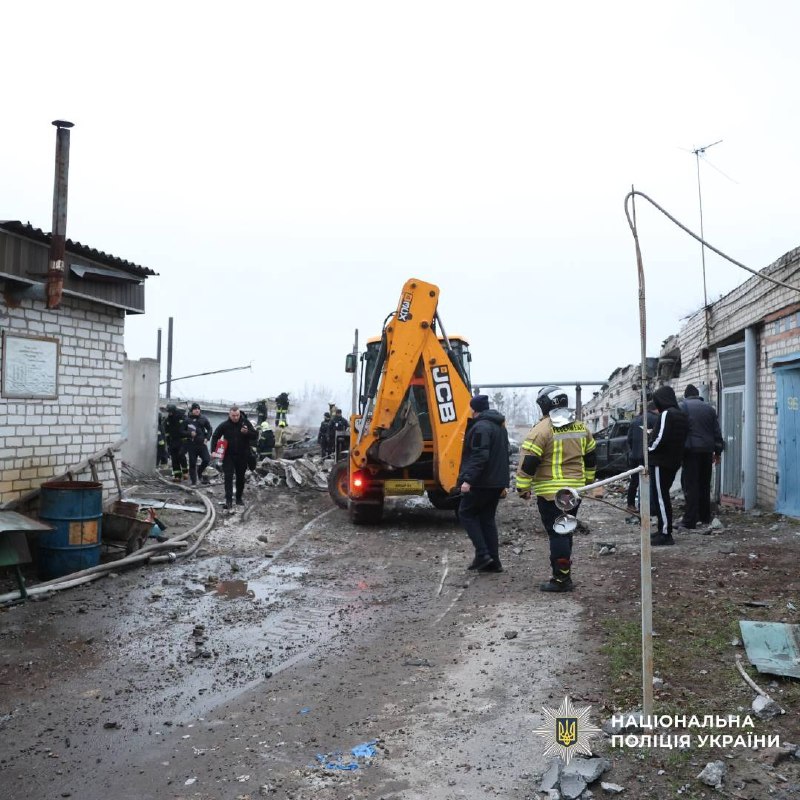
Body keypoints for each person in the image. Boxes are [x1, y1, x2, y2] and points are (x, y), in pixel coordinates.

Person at [516, 386, 596, 592]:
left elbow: (529, 462)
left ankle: (561, 580)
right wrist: (586, 484)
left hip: (551, 494)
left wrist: (522, 487)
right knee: (566, 531)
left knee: (558, 534)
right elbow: (591, 458)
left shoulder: (541, 430)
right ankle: (564, 574)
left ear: (544, 404)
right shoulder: (581, 428)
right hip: (575, 492)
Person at [457, 394, 510, 572]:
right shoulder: (499, 426)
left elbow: (480, 456)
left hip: (482, 482)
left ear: (475, 409)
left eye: (471, 409)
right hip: (496, 481)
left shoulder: (481, 427)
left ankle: (482, 554)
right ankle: (494, 562)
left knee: (466, 513)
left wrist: (467, 480)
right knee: (487, 519)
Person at [648, 385, 690, 546]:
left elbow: (660, 437)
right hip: (673, 461)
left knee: (660, 498)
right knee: (663, 497)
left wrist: (648, 449)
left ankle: (665, 533)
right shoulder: (681, 415)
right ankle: (663, 529)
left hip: (660, 461)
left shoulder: (667, 414)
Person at [679, 384, 724, 530]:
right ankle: (705, 517)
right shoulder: (709, 409)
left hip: (691, 451)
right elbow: (717, 432)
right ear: (697, 395)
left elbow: (679, 430)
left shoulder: (683, 407)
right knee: (704, 484)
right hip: (707, 451)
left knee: (691, 485)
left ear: (686, 396)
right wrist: (717, 453)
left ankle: (690, 520)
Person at [210, 405, 258, 510]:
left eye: (237, 415)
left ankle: (239, 498)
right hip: (229, 456)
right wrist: (213, 450)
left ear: (239, 413)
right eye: (233, 415)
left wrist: (247, 432)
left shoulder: (245, 423)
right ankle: (228, 501)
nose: (236, 417)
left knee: (240, 478)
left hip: (242, 455)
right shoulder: (225, 425)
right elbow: (215, 436)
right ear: (229, 414)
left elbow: (255, 435)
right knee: (228, 477)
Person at [625, 401, 658, 514]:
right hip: (648, 456)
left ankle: (631, 504)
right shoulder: (656, 419)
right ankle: (647, 507)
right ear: (656, 409)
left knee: (634, 481)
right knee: (649, 482)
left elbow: (629, 439)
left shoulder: (635, 420)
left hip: (634, 456)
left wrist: (632, 451)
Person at [186, 402, 213, 485]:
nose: (197, 410)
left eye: (198, 409)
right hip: (192, 445)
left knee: (206, 460)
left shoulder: (203, 418)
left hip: (202, 444)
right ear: (192, 410)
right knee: (192, 463)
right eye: (195, 409)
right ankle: (194, 481)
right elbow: (181, 431)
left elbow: (210, 429)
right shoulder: (187, 419)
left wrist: (207, 438)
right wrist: (189, 434)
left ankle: (199, 472)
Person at [164, 404, 189, 482]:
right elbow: (167, 433)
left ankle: (185, 472)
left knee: (181, 455)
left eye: (170, 411)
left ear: (174, 410)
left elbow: (188, 427)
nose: (169, 413)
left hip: (182, 440)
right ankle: (177, 475)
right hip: (173, 441)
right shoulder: (168, 420)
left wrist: (188, 437)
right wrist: (168, 443)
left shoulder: (182, 416)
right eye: (168, 412)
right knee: (174, 458)